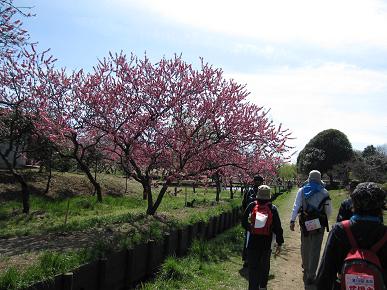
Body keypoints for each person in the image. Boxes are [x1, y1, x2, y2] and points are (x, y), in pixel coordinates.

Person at [315, 182, 387, 289]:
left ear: (353, 203)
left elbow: (325, 273)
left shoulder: (339, 230)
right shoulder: (384, 233)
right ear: (381, 206)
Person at [289, 170, 332, 285]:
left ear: (309, 178)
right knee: (316, 248)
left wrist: (292, 220)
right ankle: (311, 274)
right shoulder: (325, 192)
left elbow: (296, 206)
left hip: (305, 221)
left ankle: (306, 267)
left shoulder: (302, 190)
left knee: (305, 244)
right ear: (319, 179)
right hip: (319, 223)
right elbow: (329, 211)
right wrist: (323, 218)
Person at [242, 185, 284, 290]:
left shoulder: (252, 205)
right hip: (266, 243)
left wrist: (251, 229)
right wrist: (279, 243)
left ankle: (252, 287)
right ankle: (263, 286)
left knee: (253, 267)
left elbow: (243, 221)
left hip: (252, 242)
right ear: (269, 196)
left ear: (258, 195)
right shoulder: (272, 208)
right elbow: (278, 227)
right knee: (264, 266)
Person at [242, 175, 264, 267]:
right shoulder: (264, 191)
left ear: (253, 181)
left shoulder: (248, 191)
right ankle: (258, 258)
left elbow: (243, 204)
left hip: (250, 217)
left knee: (248, 238)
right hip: (262, 217)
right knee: (261, 237)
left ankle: (247, 259)